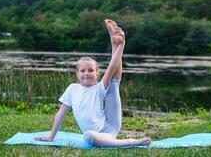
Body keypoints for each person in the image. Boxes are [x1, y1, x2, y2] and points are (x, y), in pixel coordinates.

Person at [35, 19, 151, 147]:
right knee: (88, 136)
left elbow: (112, 67)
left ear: (96, 73)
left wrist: (122, 44)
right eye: (83, 70)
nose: (86, 73)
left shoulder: (99, 88)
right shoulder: (72, 89)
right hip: (96, 135)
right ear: (77, 74)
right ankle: (129, 142)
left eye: (91, 70)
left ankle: (117, 43)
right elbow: (60, 114)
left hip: (110, 126)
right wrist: (51, 137)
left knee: (113, 84)